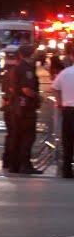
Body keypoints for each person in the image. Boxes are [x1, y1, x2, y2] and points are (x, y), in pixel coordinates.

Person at [8, 44, 43, 174]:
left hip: (17, 107)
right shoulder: (27, 69)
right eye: (34, 53)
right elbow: (26, 89)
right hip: (26, 108)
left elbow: (13, 88)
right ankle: (25, 165)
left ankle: (14, 165)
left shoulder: (16, 68)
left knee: (17, 137)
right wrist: (37, 96)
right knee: (28, 137)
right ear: (31, 54)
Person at [52, 43, 74, 178]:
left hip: (68, 111)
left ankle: (67, 169)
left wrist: (59, 102)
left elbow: (55, 88)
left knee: (68, 141)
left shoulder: (64, 73)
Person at [0, 47, 19, 170]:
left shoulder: (7, 73)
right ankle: (12, 161)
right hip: (15, 107)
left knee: (10, 135)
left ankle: (7, 160)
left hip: (8, 106)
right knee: (15, 135)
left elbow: (4, 91)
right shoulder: (19, 71)